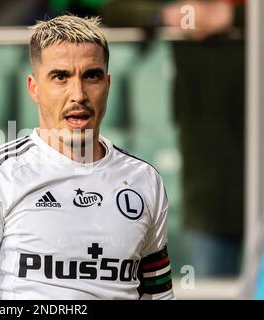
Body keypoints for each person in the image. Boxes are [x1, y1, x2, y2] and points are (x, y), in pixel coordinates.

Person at [0, 15, 174, 299]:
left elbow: (159, 296)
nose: (79, 95)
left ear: (108, 84)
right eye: (61, 77)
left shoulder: (144, 180)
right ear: (34, 88)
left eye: (91, 76)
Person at [101, 0, 245, 277]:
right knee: (212, 284)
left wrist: (232, 15)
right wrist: (166, 14)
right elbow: (117, 10)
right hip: (208, 170)